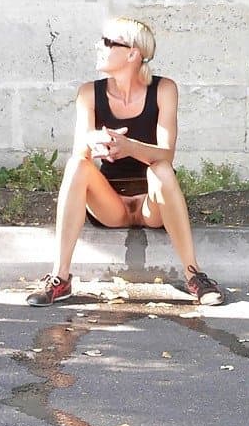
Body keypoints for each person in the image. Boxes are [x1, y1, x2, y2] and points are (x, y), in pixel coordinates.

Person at [26, 17, 226, 307]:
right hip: (111, 205)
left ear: (132, 53)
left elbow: (166, 152)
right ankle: (60, 278)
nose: (100, 46)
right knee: (75, 165)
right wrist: (94, 143)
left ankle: (195, 276)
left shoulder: (164, 89)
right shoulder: (89, 93)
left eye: (107, 42)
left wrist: (128, 146)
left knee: (161, 169)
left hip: (152, 204)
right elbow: (80, 151)